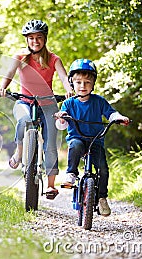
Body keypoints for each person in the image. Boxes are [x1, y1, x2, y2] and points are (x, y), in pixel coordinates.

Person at [0, 20, 73, 200]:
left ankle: (51, 185)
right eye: (31, 38)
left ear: (45, 39)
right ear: (27, 40)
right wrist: (2, 87)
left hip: (48, 103)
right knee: (23, 120)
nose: (35, 41)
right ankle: (19, 151)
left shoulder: (54, 59)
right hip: (25, 101)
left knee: (51, 142)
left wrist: (69, 89)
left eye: (39, 38)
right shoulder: (21, 57)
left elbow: (63, 77)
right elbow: (8, 75)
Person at [55, 58, 130, 216]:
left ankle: (102, 198)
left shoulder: (99, 101)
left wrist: (119, 118)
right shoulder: (68, 103)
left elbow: (111, 113)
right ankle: (71, 173)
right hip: (78, 138)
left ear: (93, 83)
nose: (83, 86)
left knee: (102, 169)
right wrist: (62, 117)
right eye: (79, 82)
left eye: (87, 82)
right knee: (75, 146)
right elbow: (61, 124)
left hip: (96, 140)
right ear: (72, 83)